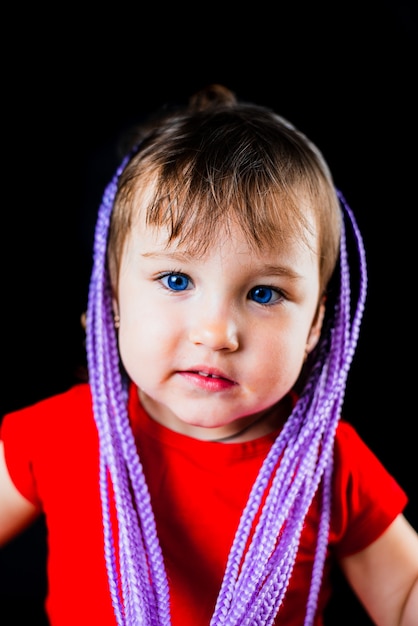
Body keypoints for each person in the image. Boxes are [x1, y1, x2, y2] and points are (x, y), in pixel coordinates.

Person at [0, 84, 417, 626]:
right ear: (113, 301)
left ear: (315, 326)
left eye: (264, 293)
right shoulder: (59, 435)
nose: (217, 333)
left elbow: (405, 590)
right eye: (176, 279)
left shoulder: (326, 464)